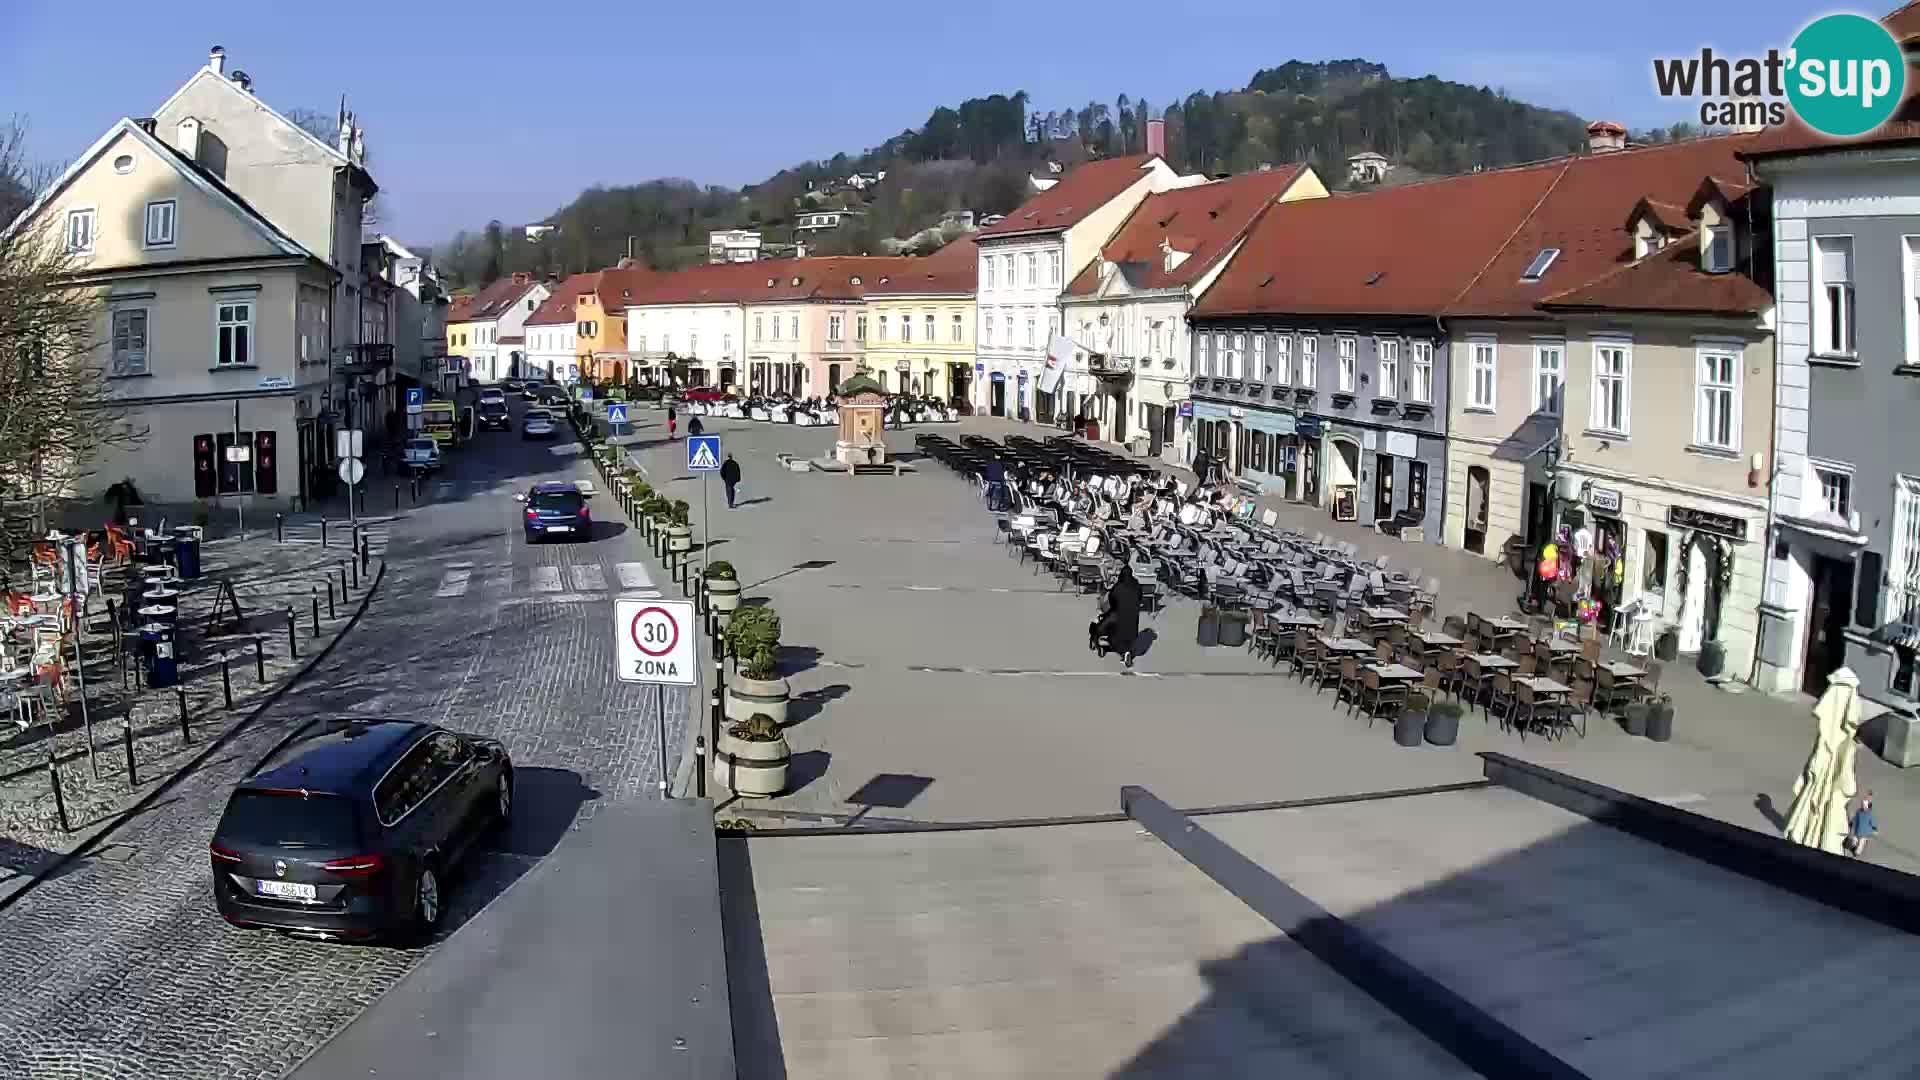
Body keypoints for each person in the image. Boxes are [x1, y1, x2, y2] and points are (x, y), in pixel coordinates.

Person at [1089, 564, 1144, 667]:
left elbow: (1111, 600)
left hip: (1118, 616)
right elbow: (1140, 597)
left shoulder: (1118, 587)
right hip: (1133, 621)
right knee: (1127, 633)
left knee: (1104, 625)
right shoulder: (1136, 585)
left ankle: (1098, 641)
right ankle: (1126, 652)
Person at [1848, 792, 1877, 857]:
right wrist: (1874, 828)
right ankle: (1857, 852)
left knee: (1855, 838)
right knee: (1862, 842)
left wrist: (1851, 823)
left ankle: (1854, 844)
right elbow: (1872, 822)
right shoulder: (1869, 814)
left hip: (1857, 831)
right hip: (1864, 833)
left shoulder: (1858, 811)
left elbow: (1854, 819)